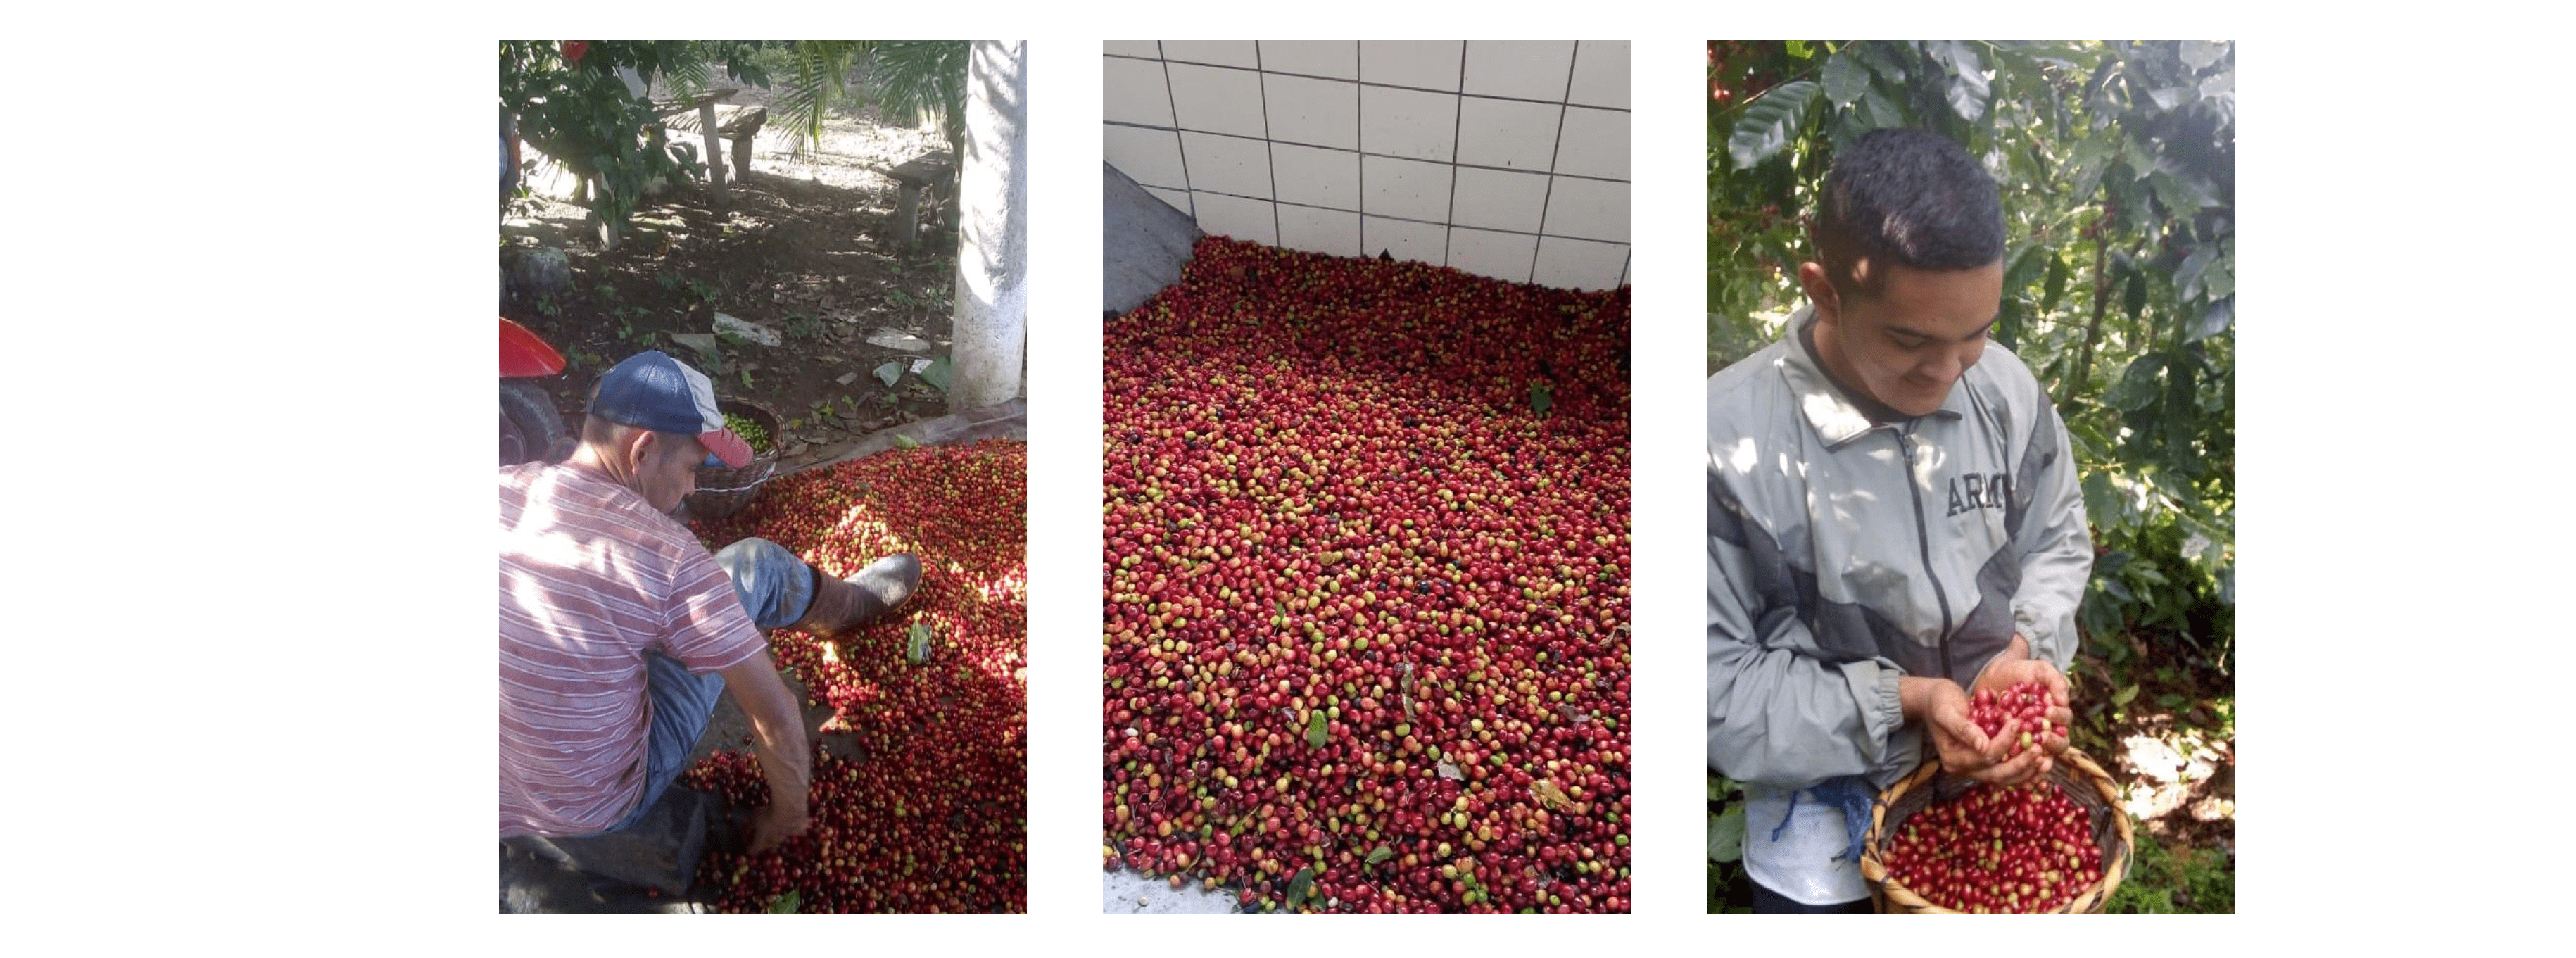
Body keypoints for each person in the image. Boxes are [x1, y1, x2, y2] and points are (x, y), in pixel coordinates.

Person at [1705, 128, 2093, 914]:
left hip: (1989, 784)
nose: (1949, 372)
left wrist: (2020, 649)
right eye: (1911, 340)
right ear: (1825, 291)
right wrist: (1908, 701)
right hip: (1816, 828)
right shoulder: (1725, 446)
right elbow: (1712, 685)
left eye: (1976, 333)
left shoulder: (2006, 391)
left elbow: (2057, 539)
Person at [500, 350, 921, 862]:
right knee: (753, 565)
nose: (694, 486)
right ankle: (848, 606)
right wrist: (788, 816)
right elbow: (777, 715)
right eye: (693, 467)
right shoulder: (667, 556)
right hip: (596, 804)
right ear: (643, 450)